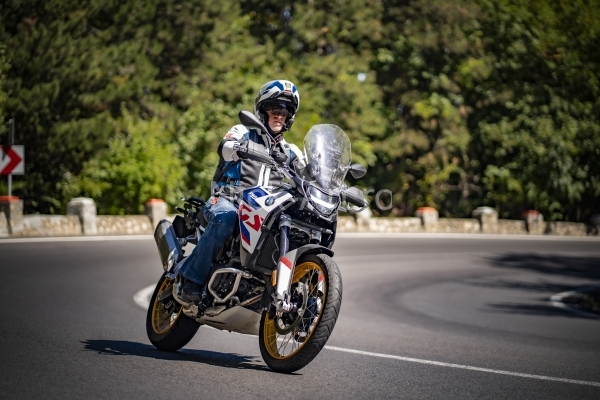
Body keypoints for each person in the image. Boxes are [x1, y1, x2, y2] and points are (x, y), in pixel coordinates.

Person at [178, 80, 305, 303]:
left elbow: (309, 174)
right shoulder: (243, 131)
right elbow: (225, 148)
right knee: (226, 217)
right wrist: (239, 148)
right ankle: (190, 279)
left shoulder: (291, 151)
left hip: (266, 209)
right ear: (262, 110)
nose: (280, 115)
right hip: (230, 199)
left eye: (285, 111)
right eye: (274, 109)